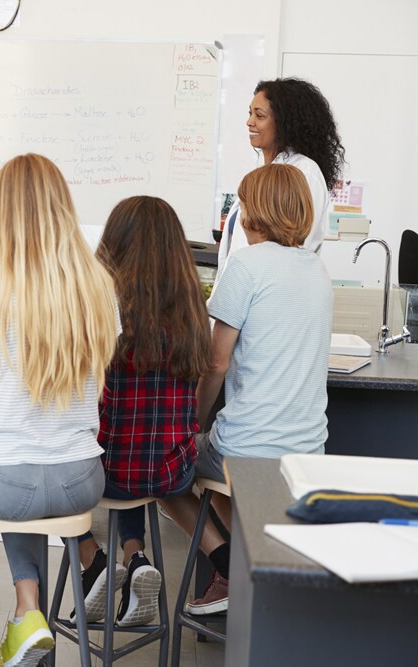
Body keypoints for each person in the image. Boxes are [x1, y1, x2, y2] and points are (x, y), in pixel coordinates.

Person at [0, 154, 119, 667]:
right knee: (22, 485)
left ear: (3, 212)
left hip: (10, 480)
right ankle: (28, 612)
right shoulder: (97, 286)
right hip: (83, 478)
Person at [161, 163, 333, 615]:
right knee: (219, 489)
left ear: (256, 211)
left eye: (242, 203)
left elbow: (216, 362)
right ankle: (253, 569)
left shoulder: (247, 264)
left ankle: (232, 567)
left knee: (162, 461)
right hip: (306, 449)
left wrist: (190, 426)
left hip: (247, 448)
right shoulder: (317, 271)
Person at [73, 196, 211, 627]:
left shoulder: (100, 311)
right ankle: (136, 559)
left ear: (113, 244)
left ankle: (93, 561)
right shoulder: (193, 312)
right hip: (173, 470)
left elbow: (84, 401)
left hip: (111, 471)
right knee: (136, 455)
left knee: (65, 466)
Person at [217, 77, 346, 277]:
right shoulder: (259, 170)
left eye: (259, 116)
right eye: (250, 113)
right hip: (243, 290)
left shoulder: (304, 173)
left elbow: (294, 248)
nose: (249, 122)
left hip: (269, 294)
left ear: (285, 122)